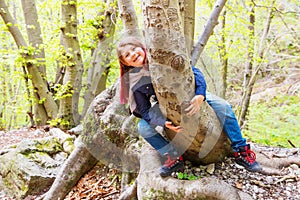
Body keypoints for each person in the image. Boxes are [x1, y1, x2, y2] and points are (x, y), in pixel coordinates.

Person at [116, 36, 262, 177]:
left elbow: (195, 72)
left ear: (142, 48)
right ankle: (173, 156)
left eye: (134, 49)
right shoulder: (135, 81)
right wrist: (160, 121)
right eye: (127, 55)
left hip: (191, 92)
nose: (133, 54)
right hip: (165, 103)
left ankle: (240, 151)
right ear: (125, 62)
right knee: (143, 128)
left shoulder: (160, 57)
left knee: (223, 106)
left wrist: (200, 95)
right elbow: (144, 110)